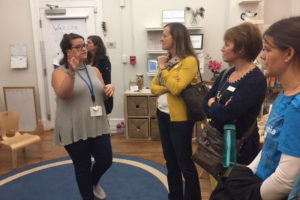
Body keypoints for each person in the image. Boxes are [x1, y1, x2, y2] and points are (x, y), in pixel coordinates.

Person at [210, 16, 300, 200]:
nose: (262, 56)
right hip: (259, 181)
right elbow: (269, 149)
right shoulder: (284, 96)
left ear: (288, 54)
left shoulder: (296, 107)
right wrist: (244, 177)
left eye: (267, 49)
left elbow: (285, 180)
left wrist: (247, 194)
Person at [51, 33, 115, 200]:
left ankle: (93, 183)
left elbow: (101, 93)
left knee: (105, 160)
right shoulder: (59, 72)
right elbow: (63, 94)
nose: (83, 49)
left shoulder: (94, 70)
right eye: (78, 47)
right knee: (82, 167)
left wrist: (110, 90)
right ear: (68, 51)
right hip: (73, 127)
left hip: (97, 124)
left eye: (84, 45)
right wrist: (72, 72)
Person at [202, 22, 266, 166]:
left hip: (240, 149)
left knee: (233, 186)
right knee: (218, 185)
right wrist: (217, 108)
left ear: (241, 49)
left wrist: (213, 104)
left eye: (227, 44)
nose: (222, 48)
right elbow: (204, 102)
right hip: (217, 143)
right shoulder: (227, 72)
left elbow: (227, 114)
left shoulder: (255, 80)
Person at [150, 22, 201, 200]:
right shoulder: (169, 61)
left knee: (184, 162)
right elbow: (153, 87)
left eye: (165, 35)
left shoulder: (189, 61)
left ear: (176, 37)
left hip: (180, 120)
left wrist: (164, 70)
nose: (161, 38)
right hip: (163, 115)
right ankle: (175, 196)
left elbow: (177, 88)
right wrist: (166, 86)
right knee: (171, 162)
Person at [87, 35, 113, 114]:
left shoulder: (103, 60)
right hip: (89, 94)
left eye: (89, 43)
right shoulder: (86, 59)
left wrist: (105, 95)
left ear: (96, 45)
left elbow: (106, 81)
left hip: (101, 94)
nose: (86, 45)